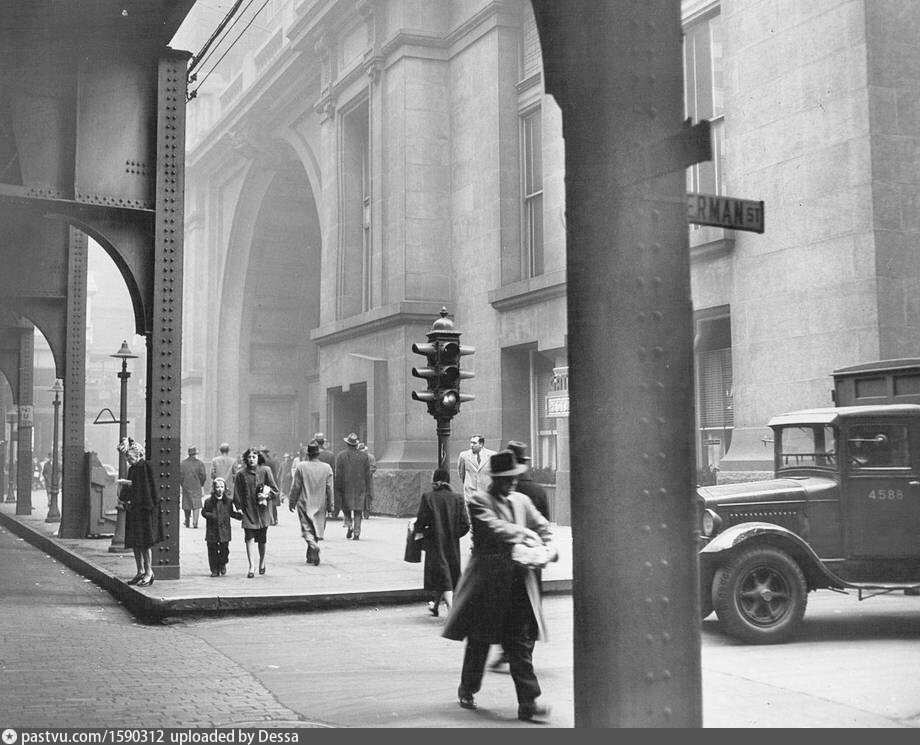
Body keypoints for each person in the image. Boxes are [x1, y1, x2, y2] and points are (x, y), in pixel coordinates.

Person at [442, 450, 557, 723]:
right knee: (479, 643)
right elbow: (495, 528)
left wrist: (549, 543)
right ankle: (468, 688)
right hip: (488, 587)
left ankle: (528, 702)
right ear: (494, 478)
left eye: (514, 478)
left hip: (516, 584)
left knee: (519, 644)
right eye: (506, 479)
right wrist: (526, 534)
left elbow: (542, 525)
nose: (512, 483)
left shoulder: (522, 500)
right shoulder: (480, 501)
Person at [489, 441, 550, 671]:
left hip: (505, 564)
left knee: (507, 611)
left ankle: (509, 652)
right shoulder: (538, 491)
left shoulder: (507, 494)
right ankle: (524, 652)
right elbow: (544, 526)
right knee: (529, 608)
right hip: (532, 562)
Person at [414, 468, 470, 617]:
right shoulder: (458, 498)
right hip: (451, 544)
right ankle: (436, 606)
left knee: (442, 576)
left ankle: (452, 610)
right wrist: (453, 535)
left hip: (435, 543)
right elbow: (466, 524)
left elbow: (421, 522)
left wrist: (424, 532)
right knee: (446, 573)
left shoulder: (428, 497)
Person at [115, 437, 164, 587]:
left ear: (138, 455)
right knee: (137, 543)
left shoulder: (144, 466)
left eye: (130, 457)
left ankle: (149, 572)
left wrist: (128, 483)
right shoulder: (134, 468)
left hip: (145, 510)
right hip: (136, 509)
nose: (128, 461)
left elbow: (145, 488)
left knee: (144, 543)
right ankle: (140, 570)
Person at [233, 447, 280, 578]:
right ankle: (251, 566)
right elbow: (237, 491)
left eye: (254, 457)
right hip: (248, 510)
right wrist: (238, 507)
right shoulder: (241, 474)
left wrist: (267, 496)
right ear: (246, 459)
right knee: (249, 537)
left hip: (263, 511)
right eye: (249, 457)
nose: (251, 459)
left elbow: (275, 490)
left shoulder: (266, 470)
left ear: (258, 458)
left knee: (262, 539)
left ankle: (262, 561)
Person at [288, 441, 334, 565]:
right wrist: (331, 505)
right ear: (318, 454)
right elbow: (330, 488)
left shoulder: (301, 467)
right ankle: (311, 555)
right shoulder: (327, 468)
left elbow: (296, 487)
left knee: (307, 530)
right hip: (320, 502)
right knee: (317, 529)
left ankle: (313, 546)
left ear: (308, 454)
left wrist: (292, 501)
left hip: (304, 503)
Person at [334, 433, 373, 540]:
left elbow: (339, 474)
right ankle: (357, 532)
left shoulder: (341, 456)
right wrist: (368, 489)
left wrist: (337, 488)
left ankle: (349, 524)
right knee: (358, 510)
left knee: (346, 508)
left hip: (346, 486)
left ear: (347, 444)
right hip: (360, 487)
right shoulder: (364, 456)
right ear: (356, 445)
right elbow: (367, 474)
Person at [201, 477, 242, 577]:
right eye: (217, 487)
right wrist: (211, 516)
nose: (220, 489)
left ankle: (222, 563)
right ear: (214, 488)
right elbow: (204, 512)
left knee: (225, 550)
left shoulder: (228, 501)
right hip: (212, 530)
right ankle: (214, 569)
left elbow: (231, 513)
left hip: (224, 530)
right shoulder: (209, 501)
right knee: (212, 550)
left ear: (225, 488)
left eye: (222, 487)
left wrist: (239, 516)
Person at [457, 434, 495, 502]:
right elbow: (461, 473)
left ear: (481, 444)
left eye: (474, 443)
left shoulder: (492, 456)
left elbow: (494, 473)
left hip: (486, 493)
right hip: (470, 493)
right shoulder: (464, 456)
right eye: (471, 442)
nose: (471, 445)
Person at [180, 446, 207, 528]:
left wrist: (183, 484)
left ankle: (187, 521)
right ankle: (195, 522)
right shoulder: (200, 463)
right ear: (195, 454)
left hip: (186, 485)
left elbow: (180, 476)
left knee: (186, 503)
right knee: (196, 504)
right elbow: (203, 476)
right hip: (196, 485)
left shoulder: (183, 463)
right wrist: (201, 484)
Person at [313, 433, 337, 516]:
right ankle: (328, 510)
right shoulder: (330, 454)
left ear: (315, 442)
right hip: (326, 478)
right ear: (323, 442)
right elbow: (333, 470)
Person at [358, 441, 377, 519]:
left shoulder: (370, 457)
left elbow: (373, 467)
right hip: (359, 480)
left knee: (367, 496)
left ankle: (366, 512)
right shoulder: (357, 457)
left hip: (367, 480)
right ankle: (360, 512)